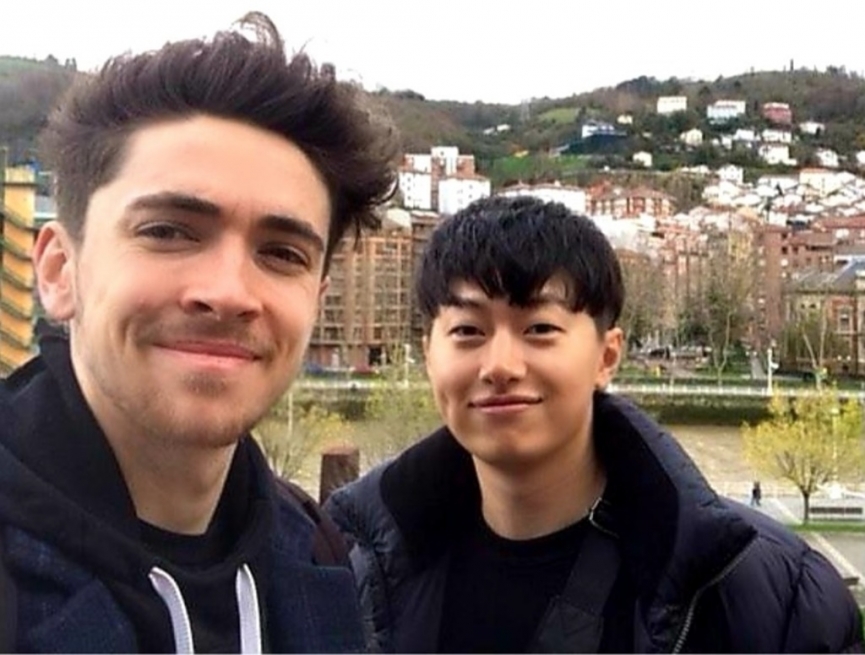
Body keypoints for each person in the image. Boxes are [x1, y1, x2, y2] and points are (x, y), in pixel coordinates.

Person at [0, 12, 399, 653]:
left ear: (317, 297)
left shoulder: (317, 557)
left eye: (282, 253)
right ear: (58, 269)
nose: (228, 292)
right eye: (167, 231)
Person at [326, 196, 864, 653]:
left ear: (607, 357)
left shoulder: (769, 597)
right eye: (468, 331)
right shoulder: (354, 573)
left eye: (539, 328)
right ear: (428, 354)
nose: (500, 366)